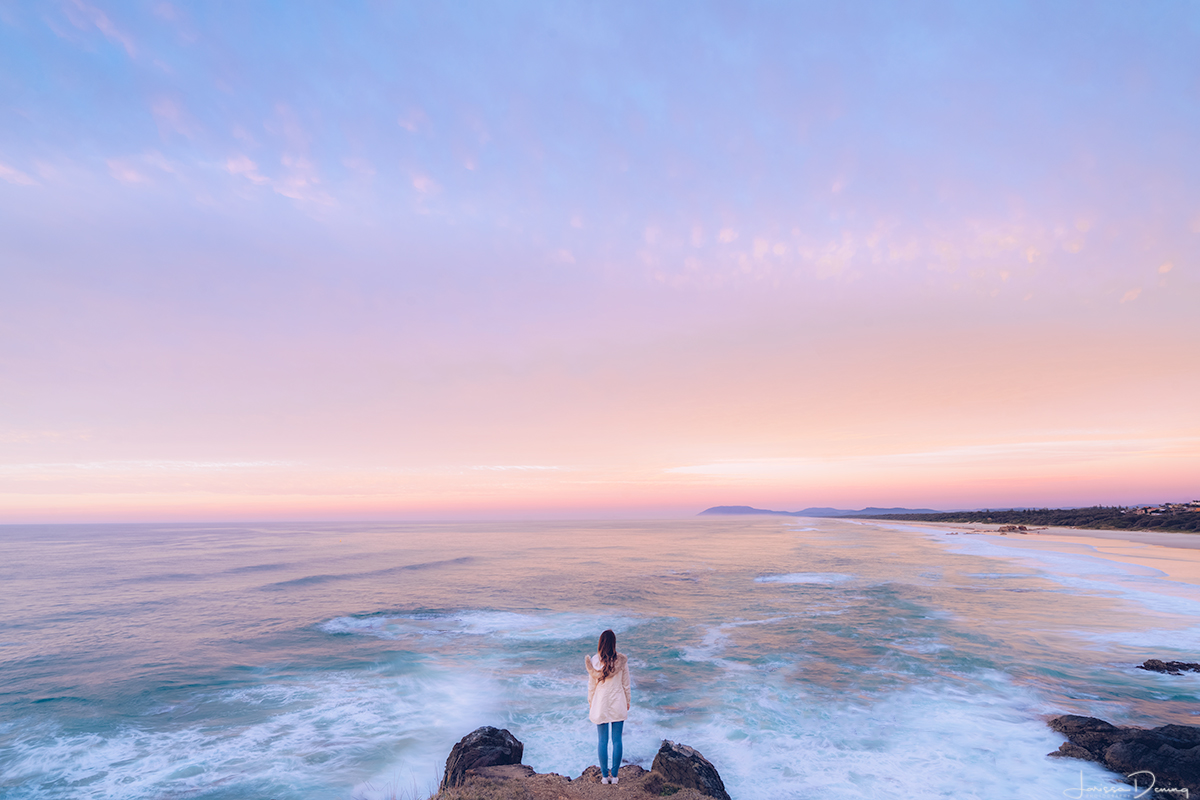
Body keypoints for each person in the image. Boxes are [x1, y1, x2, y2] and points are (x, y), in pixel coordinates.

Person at [585, 629, 630, 785]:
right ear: (614, 643)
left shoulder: (595, 661)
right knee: (617, 740)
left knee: (602, 741)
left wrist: (591, 702)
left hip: (601, 703)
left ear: (600, 643)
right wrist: (628, 701)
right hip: (618, 701)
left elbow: (591, 686)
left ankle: (605, 777)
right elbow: (626, 684)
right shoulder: (622, 660)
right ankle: (615, 776)